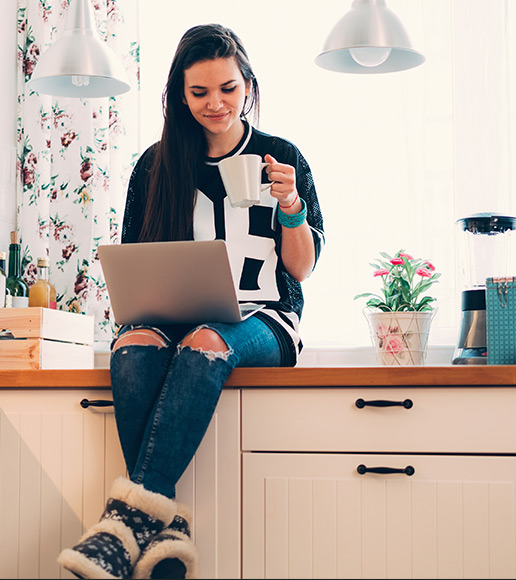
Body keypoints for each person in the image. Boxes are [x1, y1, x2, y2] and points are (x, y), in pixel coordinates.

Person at [57, 23, 324, 580]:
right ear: (180, 94)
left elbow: (301, 267)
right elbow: (135, 266)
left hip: (265, 319)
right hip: (174, 318)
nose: (215, 104)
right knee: (131, 343)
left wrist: (292, 203)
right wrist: (142, 314)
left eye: (227, 89)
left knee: (206, 341)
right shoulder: (155, 165)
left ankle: (125, 525)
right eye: (199, 93)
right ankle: (166, 536)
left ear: (247, 85)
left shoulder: (280, 157)